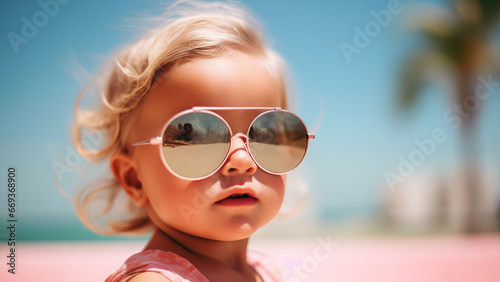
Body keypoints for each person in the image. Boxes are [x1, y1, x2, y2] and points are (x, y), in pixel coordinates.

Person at [72, 1, 314, 281]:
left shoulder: (265, 271)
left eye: (266, 134)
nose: (242, 161)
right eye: (198, 137)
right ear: (134, 179)